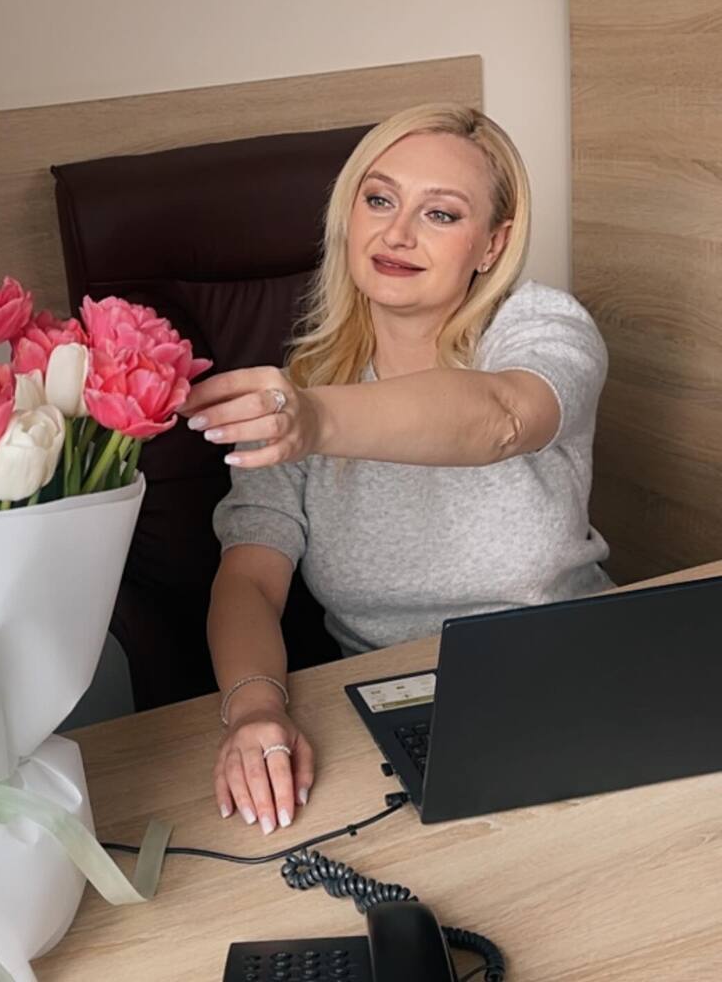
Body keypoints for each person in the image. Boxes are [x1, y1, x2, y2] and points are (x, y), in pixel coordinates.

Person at [181, 103, 613, 837]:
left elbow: (501, 416)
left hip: (579, 678)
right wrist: (255, 711)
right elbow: (250, 578)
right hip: (401, 707)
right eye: (379, 200)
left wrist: (318, 421)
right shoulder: (305, 386)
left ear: (492, 243)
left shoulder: (542, 327)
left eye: (441, 214)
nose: (398, 233)